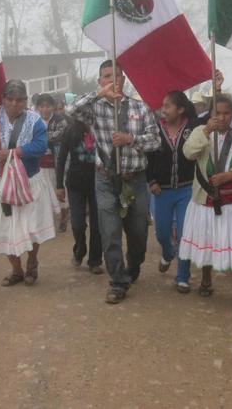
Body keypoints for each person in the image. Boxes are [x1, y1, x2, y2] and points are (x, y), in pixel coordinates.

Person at [71, 60, 161, 304]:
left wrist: (131, 139)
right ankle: (118, 282)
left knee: (138, 232)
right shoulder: (95, 108)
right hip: (105, 179)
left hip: (136, 180)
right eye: (107, 76)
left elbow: (155, 141)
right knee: (109, 232)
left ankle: (134, 265)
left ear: (124, 79)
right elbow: (72, 110)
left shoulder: (140, 108)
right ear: (100, 81)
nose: (113, 80)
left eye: (117, 75)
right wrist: (99, 94)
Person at [178, 93, 232, 316]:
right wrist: (206, 130)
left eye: (226, 113)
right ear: (210, 114)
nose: (222, 117)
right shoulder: (201, 132)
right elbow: (188, 153)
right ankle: (206, 280)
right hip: (205, 200)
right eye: (218, 113)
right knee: (207, 241)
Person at [0, 80, 55, 286]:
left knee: (31, 227)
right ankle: (17, 269)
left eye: (19, 100)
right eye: (10, 99)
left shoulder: (34, 121)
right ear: (3, 99)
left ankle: (32, 261)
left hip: (27, 182)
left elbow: (40, 146)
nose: (14, 104)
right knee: (3, 228)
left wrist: (13, 153)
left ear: (26, 101)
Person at [146, 91, 200, 293]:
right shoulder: (155, 129)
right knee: (162, 232)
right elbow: (148, 158)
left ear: (180, 109)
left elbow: (213, 118)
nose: (163, 109)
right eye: (163, 105)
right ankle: (168, 253)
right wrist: (151, 181)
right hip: (162, 190)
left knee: (185, 234)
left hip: (187, 189)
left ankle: (183, 276)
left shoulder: (193, 127)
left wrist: (217, 89)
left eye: (168, 106)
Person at [55, 105, 103, 274]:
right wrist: (59, 185)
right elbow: (60, 158)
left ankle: (95, 260)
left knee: (98, 225)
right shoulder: (71, 131)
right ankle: (79, 250)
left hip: (98, 184)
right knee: (77, 224)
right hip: (75, 184)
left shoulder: (102, 129)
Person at [34, 93, 69, 231]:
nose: (45, 109)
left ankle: (63, 219)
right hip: (40, 164)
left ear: (53, 107)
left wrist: (40, 141)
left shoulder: (60, 120)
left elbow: (59, 136)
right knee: (41, 193)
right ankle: (45, 220)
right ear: (38, 108)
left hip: (58, 164)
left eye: (47, 106)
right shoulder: (35, 121)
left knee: (60, 190)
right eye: (42, 106)